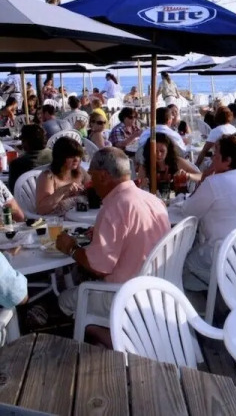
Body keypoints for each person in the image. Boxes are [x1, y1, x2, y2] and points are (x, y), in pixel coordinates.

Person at [55, 148, 171, 330]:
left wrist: (71, 248)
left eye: (92, 176)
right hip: (159, 287)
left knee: (64, 300)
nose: (91, 182)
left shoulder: (113, 207)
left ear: (103, 176)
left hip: (125, 294)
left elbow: (99, 268)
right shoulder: (153, 200)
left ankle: (117, 342)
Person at [182, 135, 236, 290]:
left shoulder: (213, 183)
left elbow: (188, 211)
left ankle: (219, 289)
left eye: (216, 155)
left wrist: (203, 180)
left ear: (227, 160)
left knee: (186, 262)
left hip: (227, 255)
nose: (212, 159)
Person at [35, 137, 90, 216]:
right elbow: (42, 209)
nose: (76, 159)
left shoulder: (80, 171)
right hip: (57, 219)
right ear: (60, 157)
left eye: (78, 155)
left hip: (81, 215)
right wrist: (63, 190)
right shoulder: (48, 176)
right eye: (71, 156)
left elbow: (93, 187)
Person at [8, 124, 52, 193]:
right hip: (51, 194)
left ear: (26, 142)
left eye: (23, 140)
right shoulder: (56, 157)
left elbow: (13, 190)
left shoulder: (16, 164)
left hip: (26, 198)